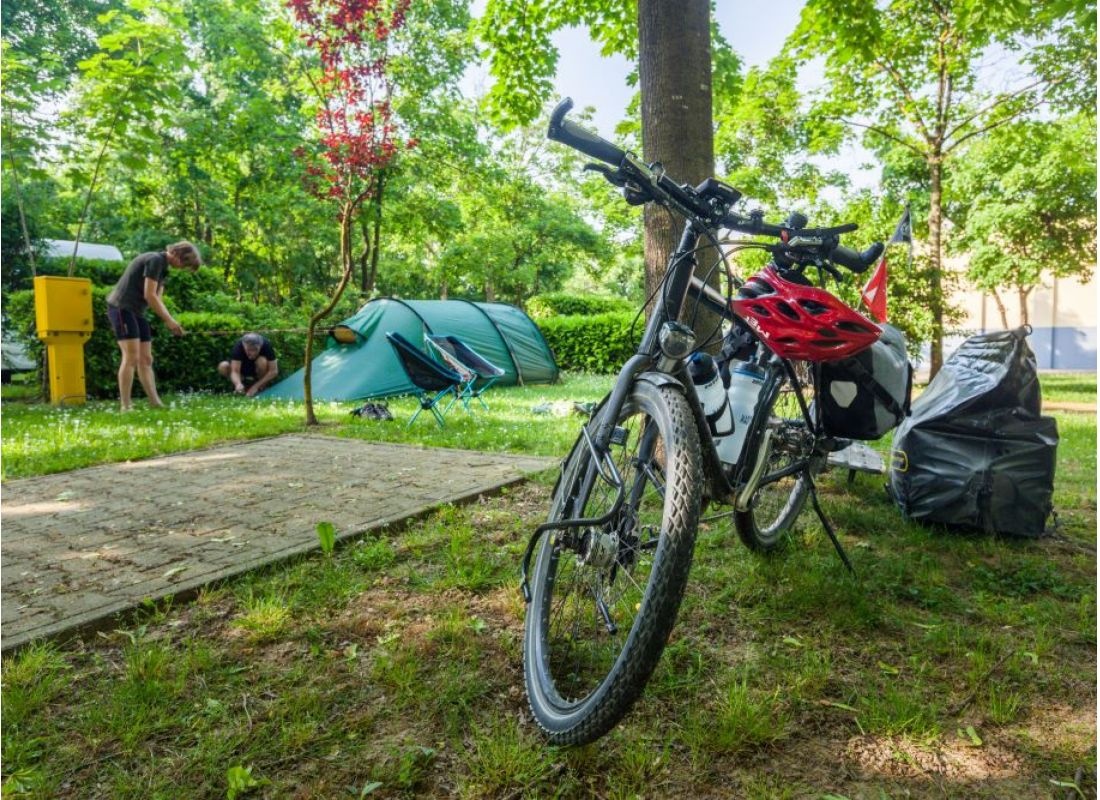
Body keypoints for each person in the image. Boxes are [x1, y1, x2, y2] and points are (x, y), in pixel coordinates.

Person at [105, 241, 201, 411]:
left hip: (136, 312)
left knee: (146, 359)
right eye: (184, 263)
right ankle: (125, 406)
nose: (182, 268)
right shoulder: (155, 260)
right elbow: (149, 295)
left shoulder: (163, 268)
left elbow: (158, 298)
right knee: (131, 357)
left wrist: (171, 321)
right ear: (177, 254)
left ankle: (155, 402)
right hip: (122, 308)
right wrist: (169, 321)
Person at [218, 332, 279, 397]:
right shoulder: (238, 346)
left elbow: (274, 371)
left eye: (255, 349)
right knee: (223, 366)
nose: (252, 353)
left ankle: (261, 388)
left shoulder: (266, 345)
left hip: (258, 369)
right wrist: (238, 384)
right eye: (249, 349)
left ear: (261, 345)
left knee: (262, 361)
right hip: (242, 369)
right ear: (243, 345)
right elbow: (235, 371)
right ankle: (242, 388)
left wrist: (256, 386)